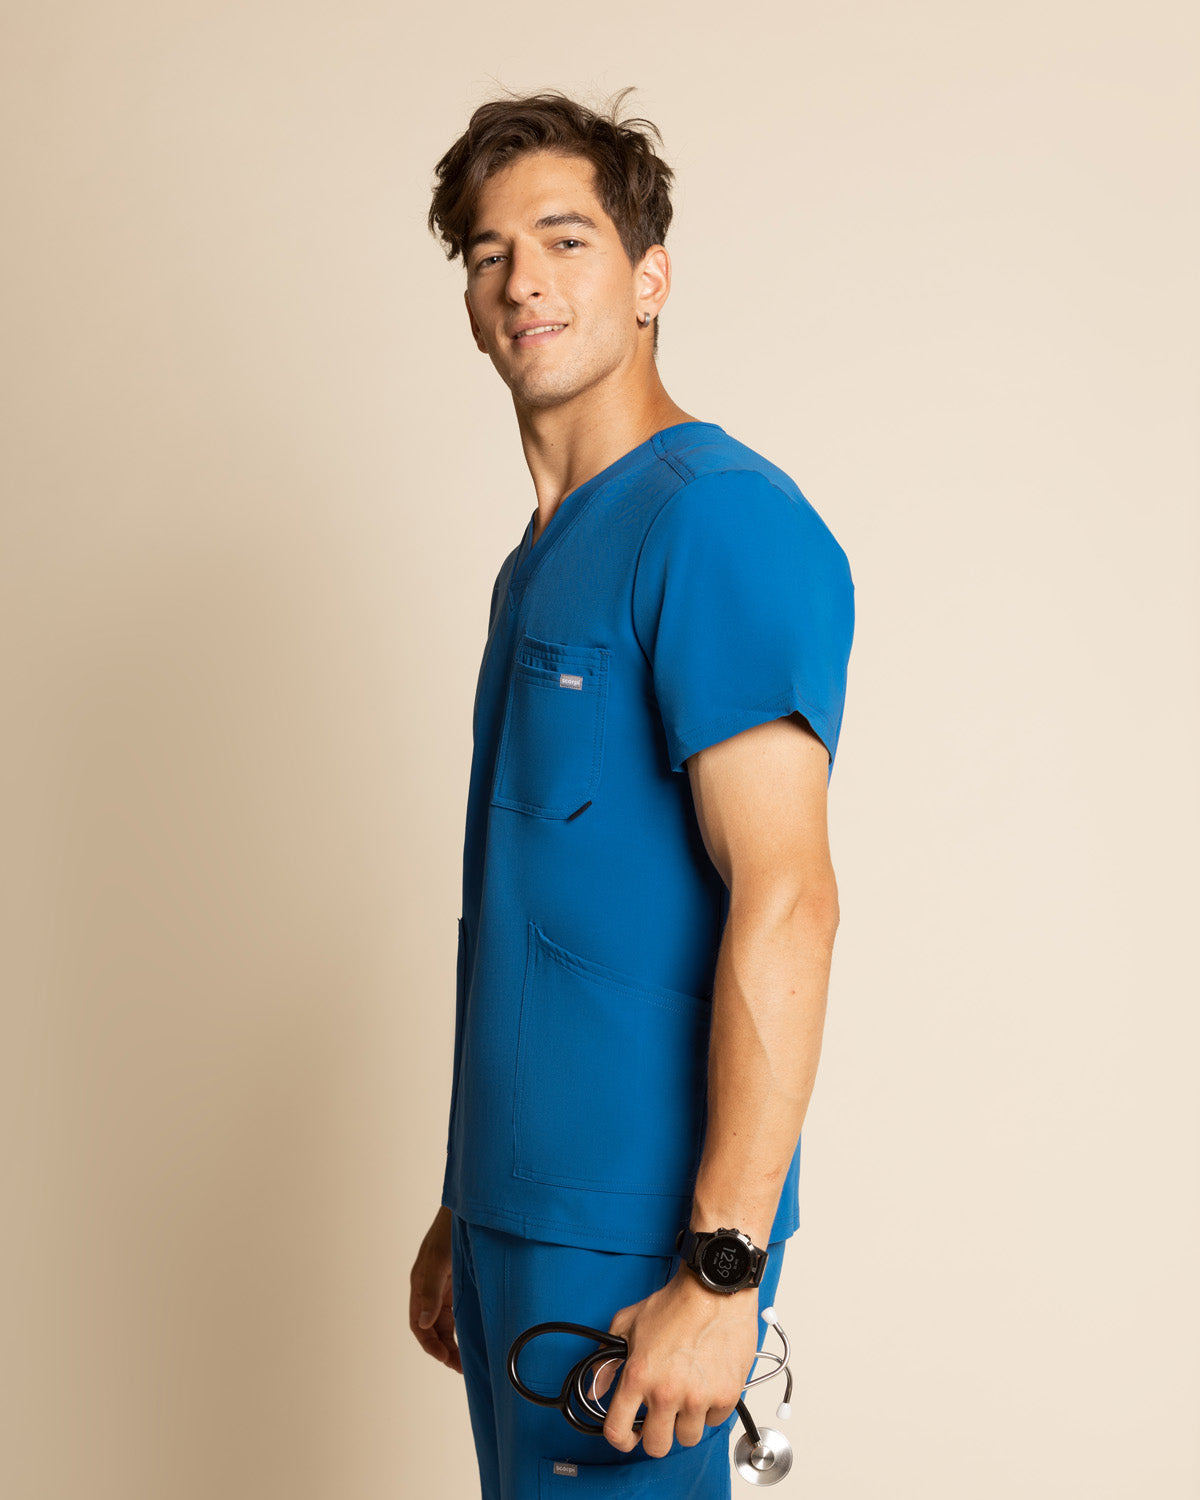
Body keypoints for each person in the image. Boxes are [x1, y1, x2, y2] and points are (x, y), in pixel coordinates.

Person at [409, 87, 855, 1499]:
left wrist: (722, 1272)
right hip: (516, 1226)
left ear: (651, 276)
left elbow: (788, 900)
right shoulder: (541, 556)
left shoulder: (713, 519)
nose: (523, 280)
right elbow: (549, 909)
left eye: (566, 240)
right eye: (490, 254)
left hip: (640, 1249)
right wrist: (467, 1201)